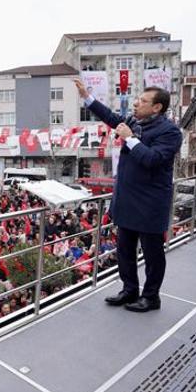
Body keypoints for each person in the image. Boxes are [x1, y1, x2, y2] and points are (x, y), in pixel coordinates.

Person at [75, 79, 182, 312]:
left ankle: (151, 296)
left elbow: (153, 159)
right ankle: (129, 289)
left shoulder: (170, 132)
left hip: (150, 203)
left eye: (143, 101)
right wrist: (87, 97)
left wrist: (130, 138)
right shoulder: (134, 121)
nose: (135, 104)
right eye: (137, 99)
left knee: (153, 255)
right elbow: (112, 118)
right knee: (125, 250)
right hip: (126, 199)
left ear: (157, 108)